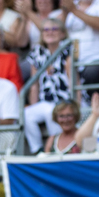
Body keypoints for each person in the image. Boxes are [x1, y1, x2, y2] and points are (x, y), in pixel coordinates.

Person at [24, 19, 74, 153]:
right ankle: (37, 150)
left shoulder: (68, 50)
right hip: (45, 100)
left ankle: (55, 148)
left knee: (51, 111)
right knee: (26, 114)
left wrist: (76, 103)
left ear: (63, 33)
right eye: (46, 30)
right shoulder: (37, 52)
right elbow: (34, 83)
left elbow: (74, 81)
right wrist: (33, 104)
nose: (49, 32)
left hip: (63, 100)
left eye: (54, 29)